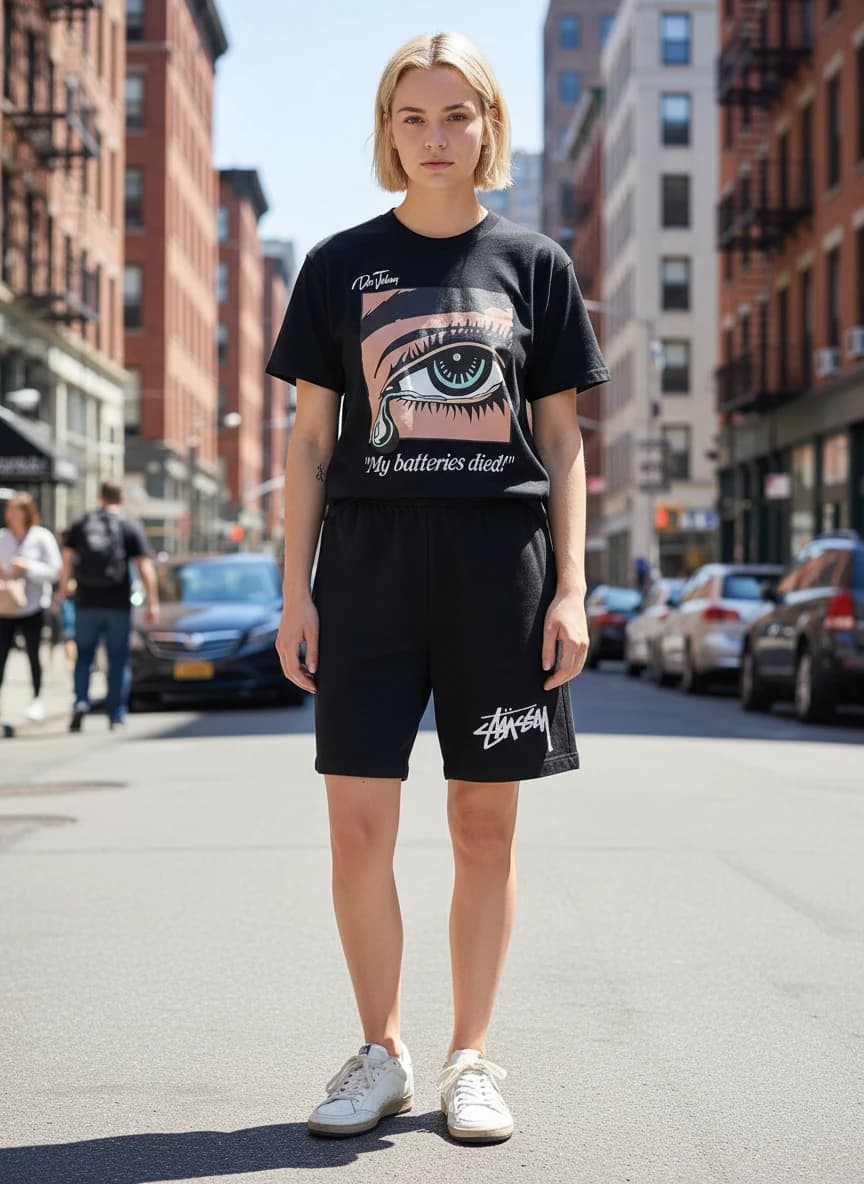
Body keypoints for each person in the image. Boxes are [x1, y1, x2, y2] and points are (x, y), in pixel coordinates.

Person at [266, 33, 609, 1144]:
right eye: (413, 117)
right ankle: (384, 1049)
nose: (435, 137)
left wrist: (572, 587)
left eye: (456, 115)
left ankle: (470, 1055)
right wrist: (296, 590)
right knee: (358, 826)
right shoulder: (337, 265)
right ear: (387, 132)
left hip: (497, 571)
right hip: (363, 570)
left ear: (488, 127)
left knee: (481, 828)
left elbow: (562, 441)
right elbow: (312, 441)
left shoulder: (535, 263)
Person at [56, 481, 159, 731]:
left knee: (84, 657)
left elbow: (67, 559)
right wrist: (152, 602)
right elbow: (145, 567)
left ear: (100, 496)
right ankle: (116, 714)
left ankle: (81, 701)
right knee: (118, 659)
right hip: (118, 604)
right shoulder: (128, 526)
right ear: (121, 499)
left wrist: (62, 589)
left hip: (86, 602)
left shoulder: (82, 523)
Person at [0, 493, 63, 722]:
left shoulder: (41, 537)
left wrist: (28, 568)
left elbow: (55, 571)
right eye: (9, 509)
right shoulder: (3, 538)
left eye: (16, 509)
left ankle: (37, 699)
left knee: (33, 655)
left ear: (27, 512)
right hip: (5, 607)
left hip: (34, 607)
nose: (11, 514)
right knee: (1, 656)